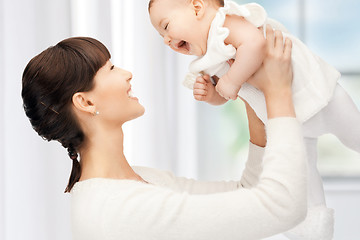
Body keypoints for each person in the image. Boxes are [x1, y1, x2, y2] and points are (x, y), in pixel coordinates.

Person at [21, 30, 306, 239]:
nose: (127, 74)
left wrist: (246, 87)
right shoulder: (116, 208)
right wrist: (278, 92)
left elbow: (249, 193)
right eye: (110, 69)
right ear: (86, 102)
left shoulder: (144, 181)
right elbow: (283, 207)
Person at [149, 0, 360, 238]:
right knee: (303, 189)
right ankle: (313, 233)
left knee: (355, 134)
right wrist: (212, 94)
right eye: (160, 35)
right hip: (290, 124)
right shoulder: (208, 60)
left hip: (320, 98)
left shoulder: (225, 22)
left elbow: (255, 44)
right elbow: (227, 95)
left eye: (166, 26)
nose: (166, 39)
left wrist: (232, 80)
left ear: (197, 8)